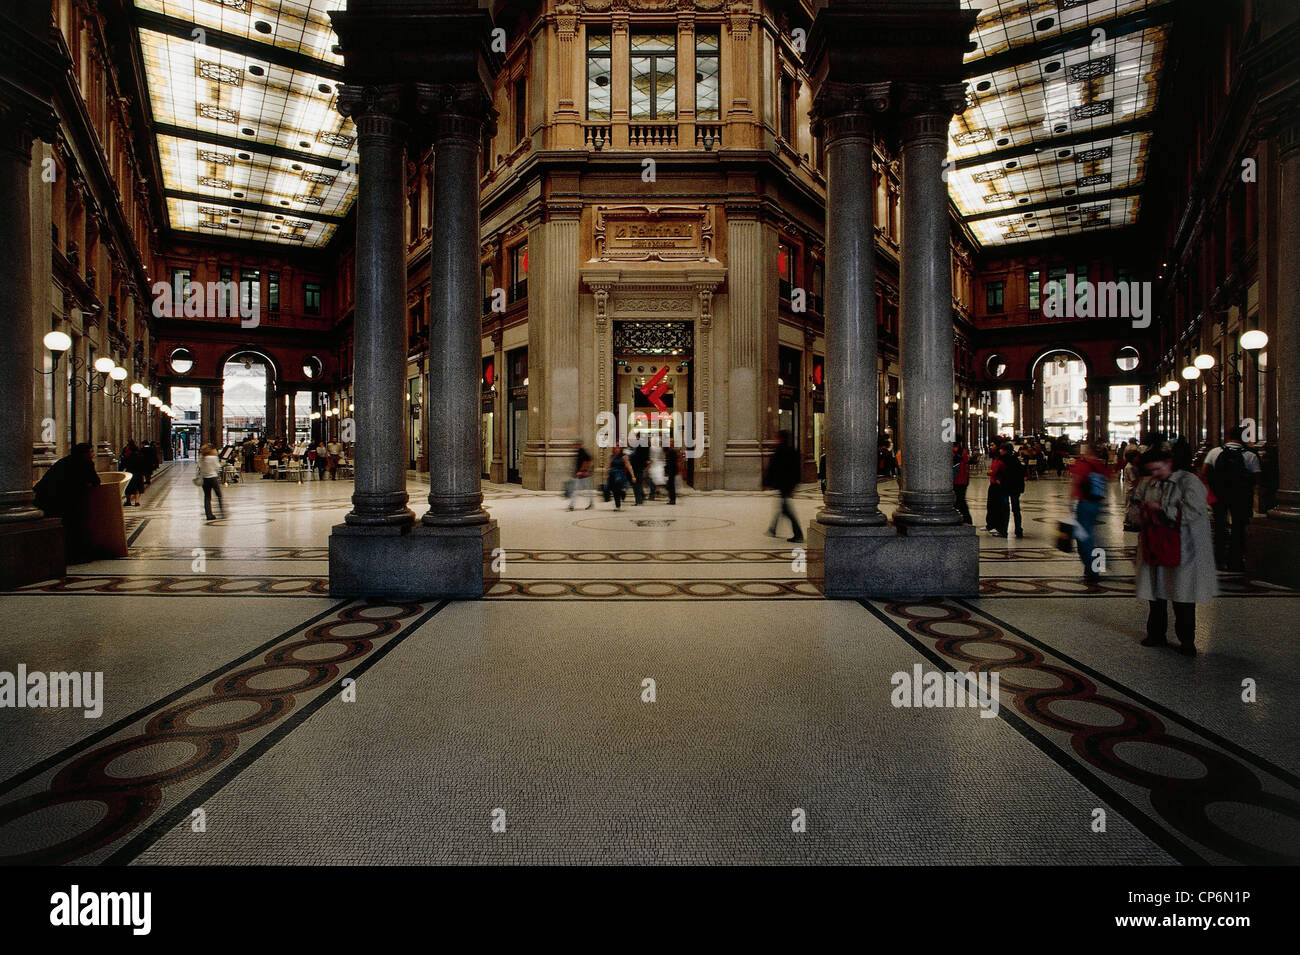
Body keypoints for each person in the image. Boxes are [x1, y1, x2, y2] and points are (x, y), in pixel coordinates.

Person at [1135, 444, 1217, 655]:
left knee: (1183, 596)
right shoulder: (1150, 483)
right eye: (1151, 470)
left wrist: (1163, 510)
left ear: (1169, 463)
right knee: (1156, 596)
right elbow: (1135, 511)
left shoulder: (1189, 482)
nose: (1155, 474)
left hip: (1183, 547)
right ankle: (1156, 634)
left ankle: (1187, 641)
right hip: (1155, 545)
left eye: (1158, 469)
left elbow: (1195, 513)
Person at [1202, 425, 1262, 572]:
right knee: (1238, 527)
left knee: (1220, 525)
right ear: (1243, 438)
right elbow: (1257, 478)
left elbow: (1204, 473)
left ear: (1228, 436)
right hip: (1241, 496)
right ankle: (1235, 560)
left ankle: (1218, 558)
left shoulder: (1215, 452)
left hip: (1219, 494)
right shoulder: (1250, 455)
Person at [33, 443, 100, 563]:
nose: (93, 454)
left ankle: (60, 554)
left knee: (65, 527)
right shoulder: (86, 463)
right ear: (85, 454)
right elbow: (95, 481)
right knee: (73, 527)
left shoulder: (64, 461)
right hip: (64, 500)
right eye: (91, 452)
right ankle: (74, 556)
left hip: (46, 498)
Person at [1069, 442, 1110, 582]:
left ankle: (1093, 570)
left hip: (1084, 504)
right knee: (1094, 536)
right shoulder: (1098, 464)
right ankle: (1097, 566)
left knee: (1084, 538)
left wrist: (1070, 501)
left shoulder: (1083, 464)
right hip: (1096, 503)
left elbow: (1077, 483)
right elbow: (1108, 478)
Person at [763, 430, 803, 543]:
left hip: (784, 484)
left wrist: (767, 483)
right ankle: (773, 529)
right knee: (782, 507)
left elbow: (773, 469)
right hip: (788, 484)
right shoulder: (793, 451)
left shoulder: (780, 451)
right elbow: (797, 470)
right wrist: (795, 484)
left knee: (785, 509)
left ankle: (798, 533)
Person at [1001, 442, 1025, 537]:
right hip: (1016, 488)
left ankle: (1004, 530)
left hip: (1006, 487)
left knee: (1005, 509)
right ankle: (1018, 529)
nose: (1000, 451)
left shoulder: (1004, 460)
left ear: (1005, 450)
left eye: (1002, 449)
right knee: (1016, 509)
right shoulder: (1016, 460)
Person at [985, 438, 1008, 535]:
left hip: (998, 485)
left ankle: (998, 527)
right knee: (991, 505)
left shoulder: (1001, 459)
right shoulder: (994, 458)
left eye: (992, 445)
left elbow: (993, 471)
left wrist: (991, 473)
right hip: (993, 483)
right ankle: (991, 525)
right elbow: (990, 471)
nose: (991, 447)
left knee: (998, 506)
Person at [198, 443, 225, 521]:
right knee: (219, 495)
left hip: (205, 479)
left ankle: (209, 515)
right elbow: (218, 467)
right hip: (213, 478)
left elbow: (200, 468)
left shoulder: (201, 458)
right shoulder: (213, 458)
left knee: (207, 497)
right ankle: (222, 512)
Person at [606, 444, 636, 510]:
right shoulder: (611, 456)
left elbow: (629, 466)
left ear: (621, 449)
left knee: (617, 489)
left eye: (618, 448)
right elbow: (608, 466)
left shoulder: (624, 457)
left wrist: (633, 476)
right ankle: (619, 500)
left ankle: (618, 504)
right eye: (615, 448)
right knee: (611, 489)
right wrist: (606, 474)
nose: (617, 449)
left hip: (620, 475)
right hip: (612, 474)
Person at [1121, 446, 1143, 531]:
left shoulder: (1132, 466)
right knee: (1129, 506)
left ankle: (1132, 522)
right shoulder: (1130, 467)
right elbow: (1134, 480)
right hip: (1131, 490)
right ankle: (1127, 522)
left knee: (1132, 506)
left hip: (1132, 489)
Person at [567, 445, 594, 511]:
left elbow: (586, 461)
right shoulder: (581, 451)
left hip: (582, 474)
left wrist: (581, 471)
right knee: (588, 490)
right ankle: (591, 503)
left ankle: (571, 505)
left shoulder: (582, 452)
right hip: (583, 474)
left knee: (576, 490)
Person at [952, 441, 972, 525]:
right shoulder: (962, 451)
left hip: (959, 480)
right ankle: (964, 519)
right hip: (962, 479)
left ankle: (965, 519)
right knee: (960, 500)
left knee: (960, 500)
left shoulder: (957, 452)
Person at [629, 441, 649, 506]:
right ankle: (640, 499)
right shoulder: (644, 452)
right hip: (640, 469)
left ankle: (638, 500)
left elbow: (633, 459)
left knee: (636, 486)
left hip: (636, 469)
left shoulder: (636, 453)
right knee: (639, 485)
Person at [664, 439, 681, 505]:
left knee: (671, 486)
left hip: (672, 470)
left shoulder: (672, 451)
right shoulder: (671, 450)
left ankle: (672, 500)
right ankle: (672, 499)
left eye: (669, 442)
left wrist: (668, 470)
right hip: (672, 470)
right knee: (670, 485)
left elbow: (671, 462)